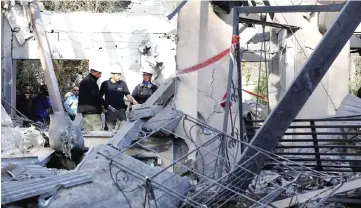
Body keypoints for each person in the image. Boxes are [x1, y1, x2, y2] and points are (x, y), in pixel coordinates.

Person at [100, 64, 138, 131]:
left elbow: (127, 94)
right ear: (112, 75)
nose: (119, 76)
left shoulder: (122, 83)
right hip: (110, 111)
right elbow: (100, 97)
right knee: (110, 132)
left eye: (120, 74)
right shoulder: (105, 84)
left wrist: (133, 100)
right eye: (118, 75)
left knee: (122, 131)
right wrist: (103, 108)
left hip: (121, 112)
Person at [77, 64, 106, 131]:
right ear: (95, 72)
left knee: (88, 135)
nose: (100, 76)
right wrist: (105, 104)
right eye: (99, 73)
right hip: (93, 113)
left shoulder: (85, 81)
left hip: (85, 113)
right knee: (97, 134)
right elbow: (96, 96)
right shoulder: (90, 82)